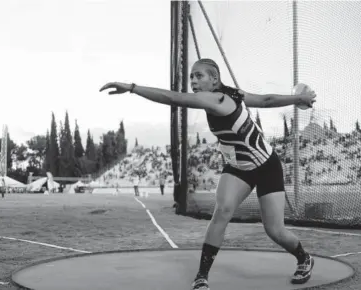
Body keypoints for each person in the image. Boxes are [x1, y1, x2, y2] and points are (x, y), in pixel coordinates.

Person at [100, 58, 317, 290]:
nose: (193, 81)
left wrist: (133, 88)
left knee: (274, 230)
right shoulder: (231, 94)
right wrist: (298, 99)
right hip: (238, 167)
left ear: (214, 79)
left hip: (266, 166)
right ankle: (201, 277)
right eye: (192, 76)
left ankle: (304, 258)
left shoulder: (218, 98)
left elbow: (174, 98)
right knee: (221, 211)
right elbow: (265, 100)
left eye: (199, 76)